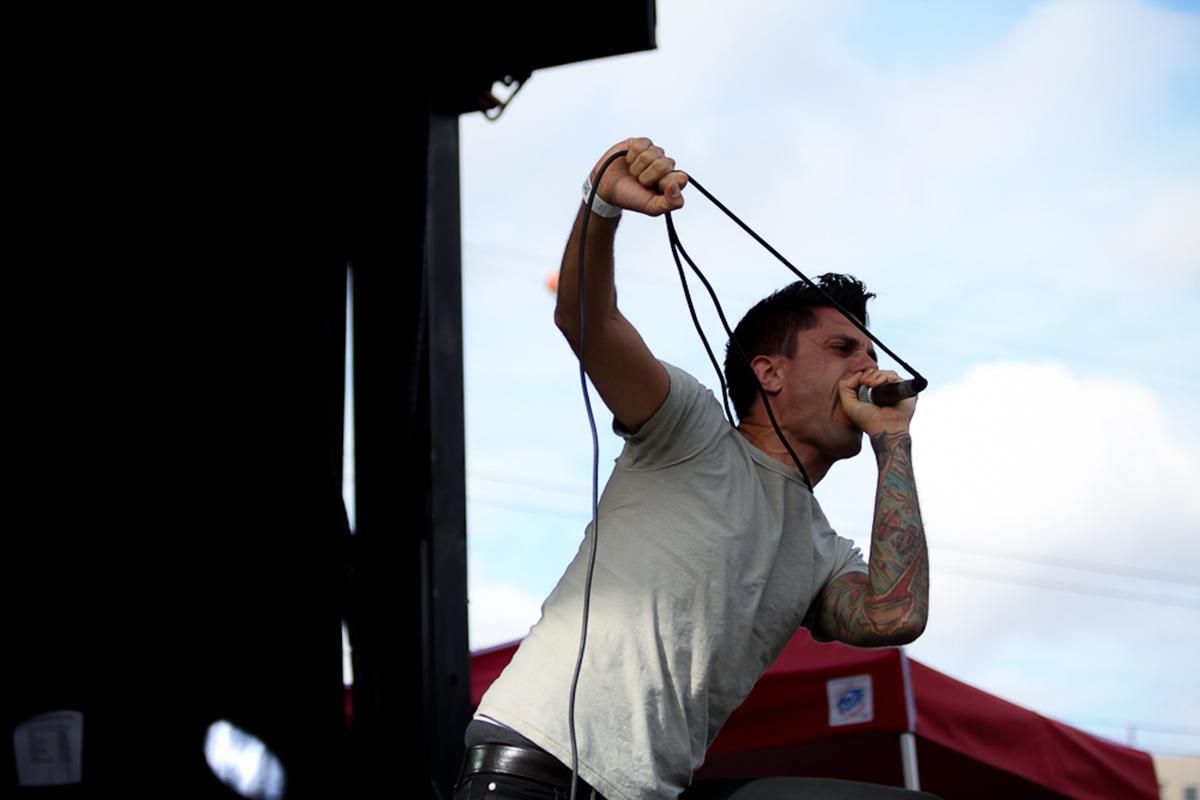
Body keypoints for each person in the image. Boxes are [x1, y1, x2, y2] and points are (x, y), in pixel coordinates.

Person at [455, 138, 929, 800]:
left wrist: (894, 443)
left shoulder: (822, 551)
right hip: (538, 767)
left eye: (870, 355)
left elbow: (894, 615)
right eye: (843, 348)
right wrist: (601, 203)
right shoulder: (691, 426)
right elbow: (584, 318)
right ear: (769, 373)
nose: (867, 370)